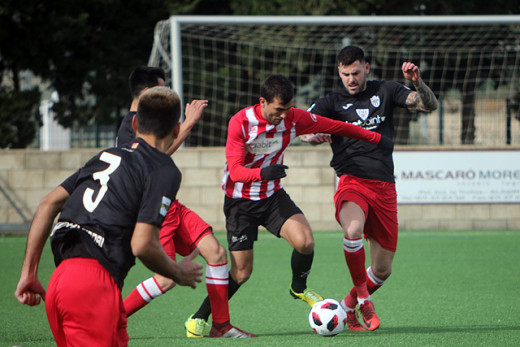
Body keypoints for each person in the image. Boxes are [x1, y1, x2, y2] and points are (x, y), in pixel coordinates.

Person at [185, 74, 394, 336]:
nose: (283, 116)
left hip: (272, 196)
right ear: (262, 102)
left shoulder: (294, 118)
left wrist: (375, 139)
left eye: (287, 109)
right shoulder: (240, 122)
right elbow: (236, 171)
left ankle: (298, 287)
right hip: (240, 202)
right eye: (278, 110)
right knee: (241, 272)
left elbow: (338, 126)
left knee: (305, 241)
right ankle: (200, 317)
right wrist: (263, 173)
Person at [14, 87, 204, 346]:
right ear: (175, 130)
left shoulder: (106, 156)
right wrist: (177, 273)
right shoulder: (164, 169)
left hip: (61, 280)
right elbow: (142, 244)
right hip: (92, 287)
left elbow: (48, 204)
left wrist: (29, 273)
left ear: (135, 123)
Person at [304, 45, 439, 331]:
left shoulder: (387, 90)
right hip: (352, 180)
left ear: (366, 67)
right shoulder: (332, 101)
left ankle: (347, 308)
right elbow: (304, 126)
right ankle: (364, 299)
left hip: (385, 187)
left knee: (382, 270)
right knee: (352, 230)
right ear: (339, 73)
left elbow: (428, 105)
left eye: (355, 73)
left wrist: (418, 83)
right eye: (345, 74)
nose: (350, 79)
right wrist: (312, 135)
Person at [119, 66, 255, 338]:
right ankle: (113, 317)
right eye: (163, 87)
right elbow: (154, 157)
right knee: (166, 279)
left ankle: (221, 326)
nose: (169, 92)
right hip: (155, 210)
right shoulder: (131, 124)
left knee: (216, 254)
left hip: (173, 205)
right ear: (148, 92)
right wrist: (189, 123)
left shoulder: (147, 120)